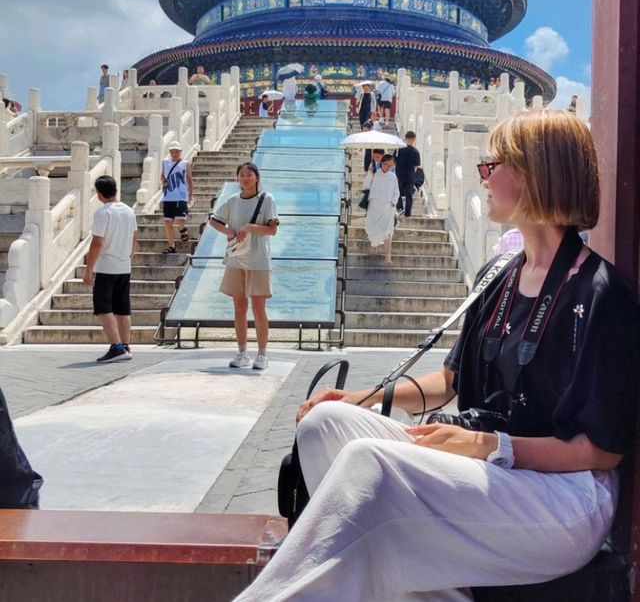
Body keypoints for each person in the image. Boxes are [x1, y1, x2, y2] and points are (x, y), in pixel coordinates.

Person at [235, 109, 638, 600]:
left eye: (493, 165)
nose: (482, 176)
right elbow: (448, 381)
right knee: (326, 426)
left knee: (370, 464)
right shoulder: (499, 273)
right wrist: (358, 398)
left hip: (563, 498)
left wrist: (494, 446)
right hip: (492, 468)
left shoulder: (599, 292)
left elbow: (602, 451)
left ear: (535, 173)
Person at [208, 163, 278, 370]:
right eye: (242, 175)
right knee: (239, 307)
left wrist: (249, 227)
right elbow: (214, 221)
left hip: (258, 259)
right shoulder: (232, 200)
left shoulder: (267, 200)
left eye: (249, 174)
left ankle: (263, 354)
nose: (245, 178)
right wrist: (229, 232)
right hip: (236, 259)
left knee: (258, 307)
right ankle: (242, 352)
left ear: (257, 177)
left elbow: (272, 230)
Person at [83, 175, 137, 363]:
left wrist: (89, 269)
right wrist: (127, 257)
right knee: (123, 308)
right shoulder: (129, 211)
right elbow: (134, 239)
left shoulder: (102, 213)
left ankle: (117, 347)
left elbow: (97, 243)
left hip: (106, 267)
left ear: (99, 194)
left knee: (103, 308)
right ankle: (126, 345)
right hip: (124, 266)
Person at [363, 153, 399, 264]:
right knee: (372, 229)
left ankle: (388, 256)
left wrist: (393, 202)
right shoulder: (375, 174)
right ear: (382, 163)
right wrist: (370, 173)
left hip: (388, 207)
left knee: (388, 231)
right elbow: (365, 187)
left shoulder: (393, 177)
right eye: (386, 164)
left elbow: (396, 192)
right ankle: (374, 249)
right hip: (374, 207)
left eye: (391, 165)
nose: (388, 167)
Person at [161, 141, 194, 254]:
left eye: (177, 151)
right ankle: (171, 246)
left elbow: (189, 179)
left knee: (180, 219)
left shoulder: (185, 163)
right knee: (168, 222)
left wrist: (191, 195)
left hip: (181, 195)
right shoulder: (165, 162)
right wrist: (163, 181)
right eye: (172, 151)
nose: (174, 154)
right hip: (168, 196)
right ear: (170, 152)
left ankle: (182, 229)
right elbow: (162, 175)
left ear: (180, 151)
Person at [394, 130, 421, 218]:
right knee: (409, 194)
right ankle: (408, 212)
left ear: (405, 138)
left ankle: (400, 207)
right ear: (413, 139)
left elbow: (394, 161)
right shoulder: (415, 152)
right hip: (410, 175)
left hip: (399, 173)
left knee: (397, 192)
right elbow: (416, 166)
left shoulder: (398, 149)